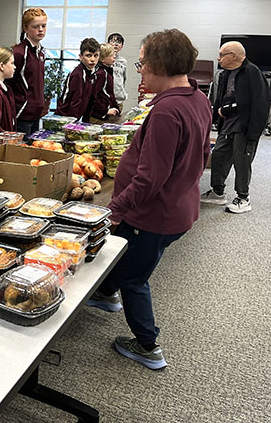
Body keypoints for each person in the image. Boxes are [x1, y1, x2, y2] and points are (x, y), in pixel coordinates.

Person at [86, 29, 212, 370]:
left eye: (142, 63)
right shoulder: (197, 98)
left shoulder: (167, 113)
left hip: (153, 216)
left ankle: (147, 344)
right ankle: (105, 293)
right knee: (122, 252)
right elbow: (203, 155)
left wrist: (115, 208)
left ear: (159, 64)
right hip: (178, 209)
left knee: (135, 278)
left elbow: (150, 178)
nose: (139, 69)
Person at [200, 41, 271, 214]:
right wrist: (215, 118)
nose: (218, 58)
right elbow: (221, 99)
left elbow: (261, 104)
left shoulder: (252, 73)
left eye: (221, 55)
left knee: (242, 162)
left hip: (245, 127)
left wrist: (253, 133)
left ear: (233, 56)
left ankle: (243, 198)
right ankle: (218, 192)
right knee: (219, 155)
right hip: (228, 125)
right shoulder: (225, 74)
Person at [5, 8, 47, 136]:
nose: (40, 30)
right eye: (35, 26)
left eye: (43, 26)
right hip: (22, 115)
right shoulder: (19, 53)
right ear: (25, 28)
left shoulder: (41, 52)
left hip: (36, 113)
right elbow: (8, 82)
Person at [55, 38, 99, 120]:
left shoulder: (93, 74)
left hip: (77, 118)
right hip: (64, 117)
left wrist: (86, 122)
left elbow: (91, 100)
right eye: (88, 55)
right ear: (80, 57)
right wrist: (72, 126)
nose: (93, 59)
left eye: (96, 55)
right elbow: (75, 102)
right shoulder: (77, 74)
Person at [88, 43, 120, 123]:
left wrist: (116, 108)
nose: (114, 56)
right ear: (102, 59)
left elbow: (110, 94)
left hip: (103, 115)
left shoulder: (107, 71)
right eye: (111, 55)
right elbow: (93, 96)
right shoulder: (101, 74)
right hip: (97, 117)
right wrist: (105, 111)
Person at [108, 32, 128, 111]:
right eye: (113, 41)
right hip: (106, 99)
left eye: (119, 42)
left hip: (118, 99)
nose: (116, 44)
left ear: (121, 46)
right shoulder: (103, 59)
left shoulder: (123, 61)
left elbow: (123, 78)